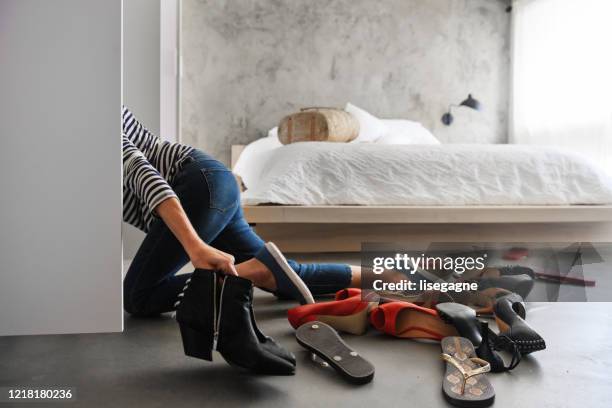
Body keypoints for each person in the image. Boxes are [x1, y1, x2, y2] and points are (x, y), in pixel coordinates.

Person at [121, 106, 361, 316]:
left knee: (138, 297)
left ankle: (251, 272)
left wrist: (195, 247)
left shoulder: (93, 113)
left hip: (195, 188)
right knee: (286, 276)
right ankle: (386, 276)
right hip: (211, 183)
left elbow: (141, 172)